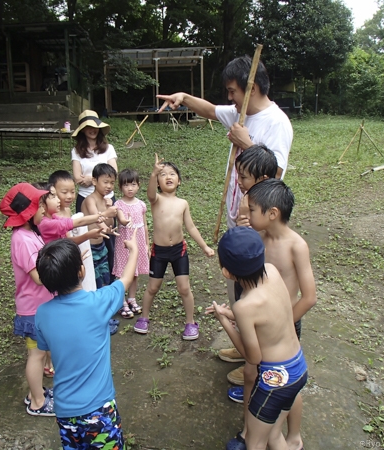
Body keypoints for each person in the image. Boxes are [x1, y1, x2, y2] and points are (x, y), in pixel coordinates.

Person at [156, 55, 293, 306]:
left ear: (251, 88)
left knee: (258, 285)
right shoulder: (239, 114)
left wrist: (247, 143)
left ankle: (257, 341)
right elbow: (209, 109)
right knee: (237, 281)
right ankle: (244, 340)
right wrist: (184, 98)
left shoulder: (277, 123)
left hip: (258, 222)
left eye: (233, 91)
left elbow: (275, 177)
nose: (230, 98)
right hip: (237, 218)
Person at [229, 179, 316, 450]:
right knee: (252, 373)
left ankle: (294, 436)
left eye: (251, 210)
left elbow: (309, 297)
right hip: (263, 324)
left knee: (289, 387)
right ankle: (253, 429)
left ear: (272, 213)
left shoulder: (296, 245)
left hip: (285, 324)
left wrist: (282, 324)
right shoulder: (259, 238)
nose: (247, 215)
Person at [35, 228, 141, 449]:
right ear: (82, 271)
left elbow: (46, 348)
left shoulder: (42, 314)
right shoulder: (98, 303)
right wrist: (133, 251)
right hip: (99, 409)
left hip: (64, 410)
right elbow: (126, 279)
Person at [207, 226, 308, 450]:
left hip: (275, 379)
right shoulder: (272, 270)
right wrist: (230, 314)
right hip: (297, 368)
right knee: (273, 435)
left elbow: (252, 356)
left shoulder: (245, 306)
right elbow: (267, 315)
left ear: (226, 272)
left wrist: (225, 321)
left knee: (255, 440)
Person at [133, 154, 214, 340]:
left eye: (172, 174)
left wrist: (204, 246)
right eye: (163, 174)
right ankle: (144, 318)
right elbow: (150, 193)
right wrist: (153, 174)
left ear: (179, 181)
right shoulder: (156, 200)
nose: (168, 176)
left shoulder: (183, 203)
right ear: (159, 182)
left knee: (184, 288)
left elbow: (191, 227)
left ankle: (190, 322)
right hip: (159, 252)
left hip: (179, 251)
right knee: (152, 288)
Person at [218, 145, 279, 385]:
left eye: (243, 177)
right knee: (240, 302)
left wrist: (250, 227)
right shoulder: (249, 197)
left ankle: (253, 365)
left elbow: (270, 233)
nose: (239, 181)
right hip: (243, 265)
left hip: (258, 268)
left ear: (262, 179)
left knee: (253, 311)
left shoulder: (267, 203)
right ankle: (244, 347)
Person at [0, 183, 55, 417]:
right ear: (28, 212)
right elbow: (39, 277)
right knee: (36, 356)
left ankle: (35, 393)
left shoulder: (30, 233)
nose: (44, 208)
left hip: (39, 307)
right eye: (39, 204)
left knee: (40, 353)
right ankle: (37, 402)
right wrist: (64, 270)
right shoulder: (22, 239)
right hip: (33, 310)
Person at [71, 110, 118, 281]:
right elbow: (77, 178)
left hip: (107, 197)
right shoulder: (77, 151)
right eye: (88, 127)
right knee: (87, 236)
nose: (92, 130)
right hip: (84, 198)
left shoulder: (108, 148)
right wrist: (97, 179)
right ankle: (87, 277)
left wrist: (92, 179)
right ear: (82, 130)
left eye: (95, 127)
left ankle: (111, 275)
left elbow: (114, 172)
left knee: (109, 236)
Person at [113, 168, 150, 319]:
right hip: (124, 242)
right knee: (123, 272)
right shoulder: (119, 204)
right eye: (126, 185)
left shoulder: (141, 204)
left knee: (134, 273)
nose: (130, 188)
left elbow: (145, 225)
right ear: (120, 187)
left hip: (139, 241)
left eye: (133, 184)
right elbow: (121, 219)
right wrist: (125, 221)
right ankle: (121, 302)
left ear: (138, 185)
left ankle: (132, 298)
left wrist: (147, 244)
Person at [36, 181, 117, 244]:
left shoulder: (54, 217)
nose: (58, 200)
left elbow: (67, 241)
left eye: (57, 196)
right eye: (53, 197)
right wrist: (104, 214)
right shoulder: (45, 223)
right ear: (41, 203)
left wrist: (88, 235)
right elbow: (79, 222)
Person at [81, 163, 119, 288]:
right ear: (94, 181)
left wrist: (109, 208)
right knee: (93, 280)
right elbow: (97, 218)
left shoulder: (106, 201)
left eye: (112, 183)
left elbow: (110, 224)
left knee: (105, 277)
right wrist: (106, 223)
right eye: (106, 182)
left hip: (101, 246)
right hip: (89, 247)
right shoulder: (90, 200)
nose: (109, 186)